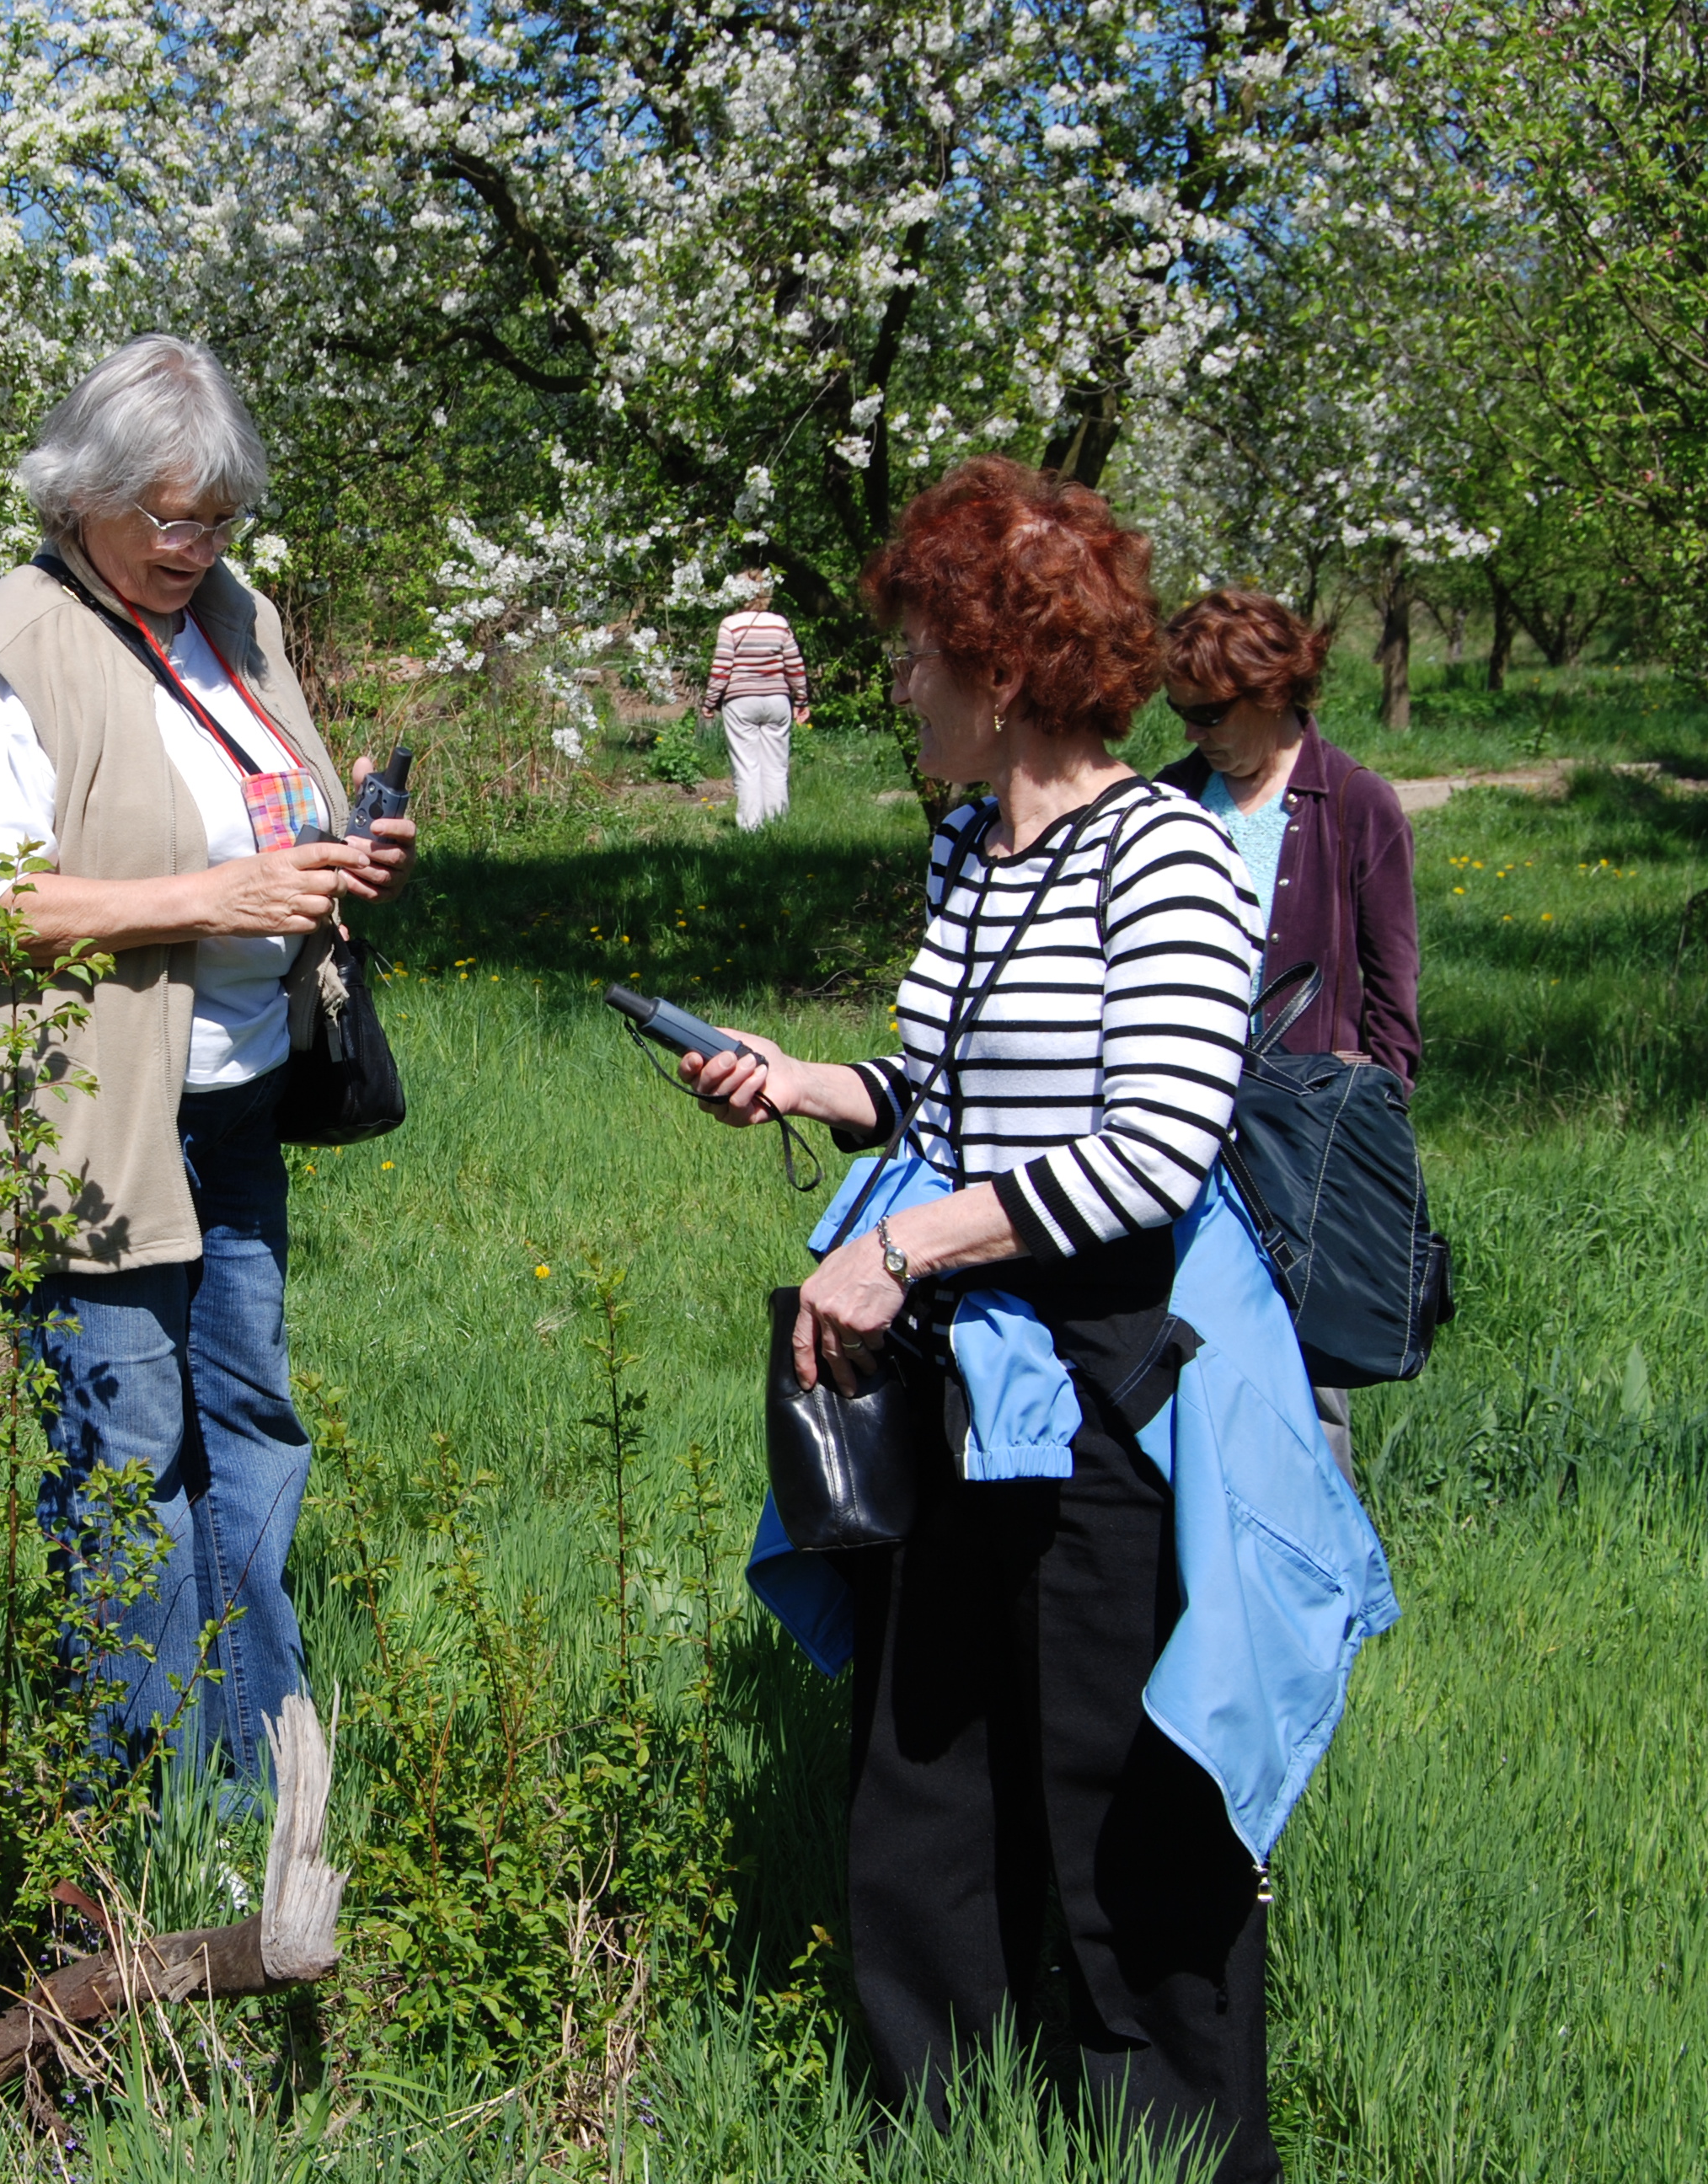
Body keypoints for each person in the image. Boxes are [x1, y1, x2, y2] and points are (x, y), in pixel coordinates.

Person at [683, 458, 1298, 2179]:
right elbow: (947, 1091)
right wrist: (809, 1082)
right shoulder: (971, 843)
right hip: (947, 1366)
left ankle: (1172, 2147)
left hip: (1100, 1371)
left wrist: (904, 1244)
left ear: (1005, 667)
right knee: (923, 1767)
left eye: (914, 656)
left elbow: (1154, 1149)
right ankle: (938, 2127)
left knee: (1114, 1791)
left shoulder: (1163, 854)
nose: (895, 687)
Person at [0, 334, 417, 1781]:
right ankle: (138, 1802)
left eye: (218, 517)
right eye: (167, 518)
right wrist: (215, 898)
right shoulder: (12, 653)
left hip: (238, 1097)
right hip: (96, 1129)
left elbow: (259, 802)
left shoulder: (235, 618)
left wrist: (342, 850)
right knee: (125, 1458)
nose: (194, 547)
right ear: (82, 495)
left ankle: (260, 1765)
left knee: (249, 1424)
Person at [1155, 589, 1420, 1480]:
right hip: (1178, 1117)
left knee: (1307, 1367)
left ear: (1272, 693)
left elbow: (1393, 990)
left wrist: (1368, 1116)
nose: (1194, 732)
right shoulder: (1166, 801)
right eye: (1181, 712)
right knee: (1175, 1340)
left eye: (1210, 712)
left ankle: (1318, 1543)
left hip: (1305, 1136)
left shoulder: (1355, 802)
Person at [704, 570, 811, 828]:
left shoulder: (730, 625)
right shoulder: (779, 623)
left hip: (740, 702)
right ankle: (777, 825)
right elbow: (794, 665)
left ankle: (751, 828)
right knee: (776, 767)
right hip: (777, 700)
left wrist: (709, 702)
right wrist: (801, 699)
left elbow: (722, 668)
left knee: (747, 767)